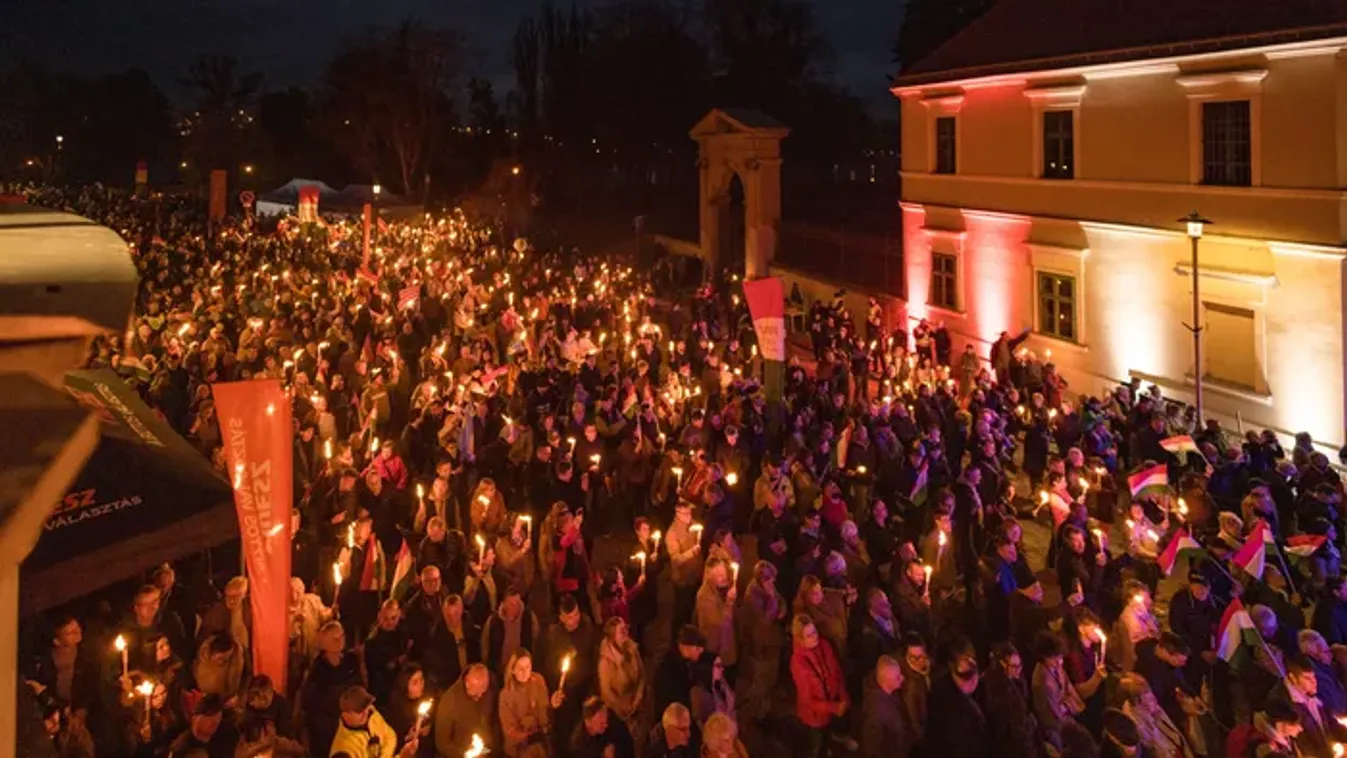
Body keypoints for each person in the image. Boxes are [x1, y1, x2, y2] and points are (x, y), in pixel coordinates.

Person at [789, 614, 854, 756]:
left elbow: (836, 670)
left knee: (836, 726)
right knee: (818, 745)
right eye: (809, 635)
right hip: (815, 715)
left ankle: (838, 739)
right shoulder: (798, 663)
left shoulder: (824, 644)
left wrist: (842, 694)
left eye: (814, 632)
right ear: (800, 639)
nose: (815, 637)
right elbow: (809, 700)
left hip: (833, 699)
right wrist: (835, 708)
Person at [498, 650, 559, 758]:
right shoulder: (506, 695)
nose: (525, 672)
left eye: (528, 667)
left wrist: (552, 706)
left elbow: (544, 713)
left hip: (541, 742)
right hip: (519, 747)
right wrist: (529, 736)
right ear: (512, 670)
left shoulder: (538, 681)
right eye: (520, 668)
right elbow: (510, 729)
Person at [433, 664, 498, 758]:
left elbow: (493, 722)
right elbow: (442, 744)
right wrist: (467, 754)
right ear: (467, 683)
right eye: (476, 694)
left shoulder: (489, 691)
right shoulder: (449, 702)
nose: (480, 696)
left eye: (483, 690)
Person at [329, 685, 412, 758]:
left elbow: (390, 736)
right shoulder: (344, 750)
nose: (365, 713)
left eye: (366, 706)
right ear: (346, 716)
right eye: (359, 711)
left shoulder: (371, 713)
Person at [597, 618, 645, 742]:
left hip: (637, 709)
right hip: (618, 716)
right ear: (613, 637)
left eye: (626, 628)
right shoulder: (605, 664)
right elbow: (607, 693)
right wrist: (625, 712)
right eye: (621, 631)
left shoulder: (632, 649)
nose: (626, 633)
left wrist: (637, 699)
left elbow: (641, 676)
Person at [859, 655, 911, 758]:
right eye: (897, 677)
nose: (902, 678)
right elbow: (872, 747)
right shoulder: (876, 712)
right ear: (886, 681)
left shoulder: (891, 692)